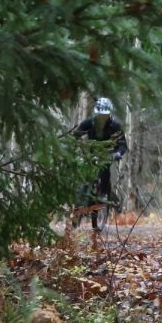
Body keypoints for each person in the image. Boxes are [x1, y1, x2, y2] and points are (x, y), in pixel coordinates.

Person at [71, 97, 128, 230]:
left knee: (104, 172)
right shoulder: (89, 123)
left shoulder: (115, 126)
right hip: (90, 155)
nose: (102, 118)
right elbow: (75, 135)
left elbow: (123, 145)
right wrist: (74, 146)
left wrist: (118, 154)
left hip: (107, 155)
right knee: (84, 178)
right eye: (99, 115)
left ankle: (104, 195)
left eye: (104, 115)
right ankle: (80, 202)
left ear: (109, 114)